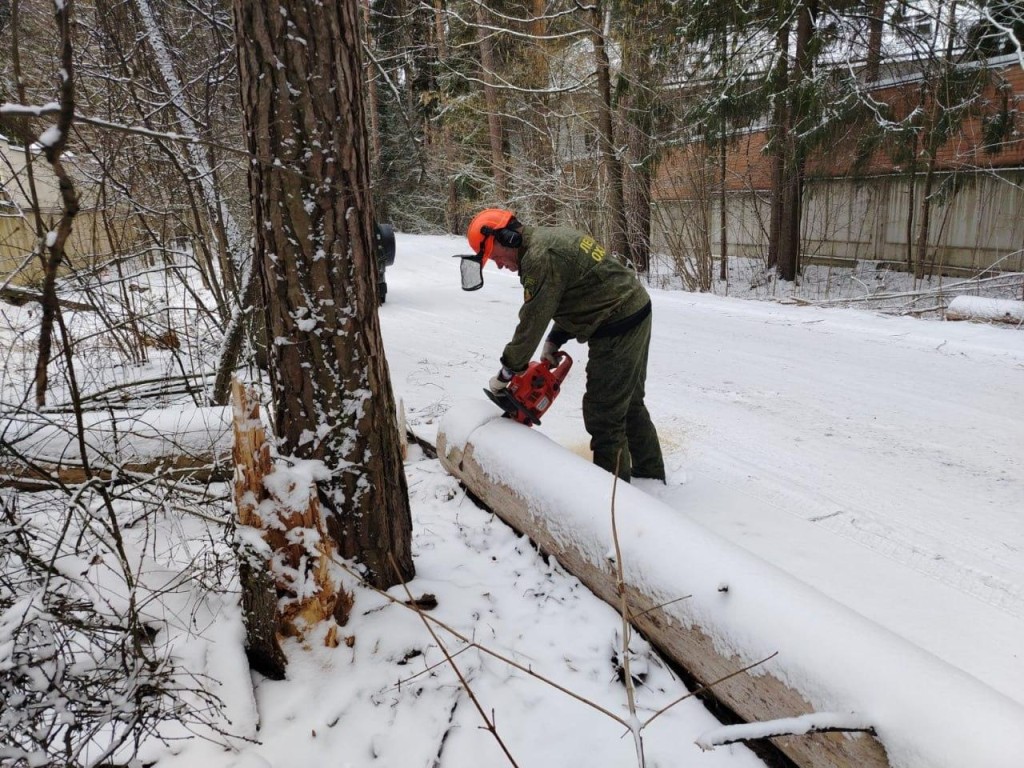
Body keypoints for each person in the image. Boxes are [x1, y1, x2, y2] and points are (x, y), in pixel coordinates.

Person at [465, 208, 665, 483]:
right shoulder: (548, 240)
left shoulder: (539, 257)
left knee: (604, 413)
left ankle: (615, 502)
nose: (499, 265)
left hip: (617, 323)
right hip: (634, 307)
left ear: (507, 238)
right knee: (628, 402)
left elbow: (532, 320)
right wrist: (555, 339)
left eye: (496, 257)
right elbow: (581, 292)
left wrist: (508, 372)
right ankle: (651, 476)